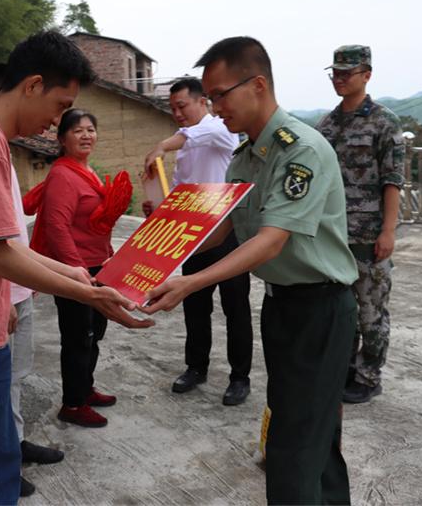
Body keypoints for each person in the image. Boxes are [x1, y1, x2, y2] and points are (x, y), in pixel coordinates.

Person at [0, 31, 152, 506]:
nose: (56, 122)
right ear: (33, 85)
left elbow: (7, 244)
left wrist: (74, 274)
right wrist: (88, 293)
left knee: (0, 464)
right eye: (60, 107)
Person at [141, 37, 358, 505]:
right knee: (310, 429)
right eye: (210, 96)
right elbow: (223, 230)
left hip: (320, 309)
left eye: (220, 94)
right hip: (281, 308)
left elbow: (270, 239)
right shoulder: (244, 158)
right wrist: (156, 243)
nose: (214, 107)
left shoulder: (300, 150)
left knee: (291, 444)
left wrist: (192, 281)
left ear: (257, 84)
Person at [0, 63, 65, 499]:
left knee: (16, 378)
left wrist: (61, 276)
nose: (52, 123)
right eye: (56, 107)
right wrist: (3, 297)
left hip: (19, 287)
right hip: (2, 292)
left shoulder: (2, 153)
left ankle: (13, 443)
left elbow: (13, 233)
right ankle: (1, 458)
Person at [142, 77, 253, 406]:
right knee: (195, 306)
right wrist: (157, 205)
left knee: (236, 309)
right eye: (172, 108)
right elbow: (180, 191)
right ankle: (196, 367)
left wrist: (161, 146)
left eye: (182, 106)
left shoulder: (219, 130)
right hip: (194, 238)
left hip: (227, 234)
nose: (177, 113)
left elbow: (189, 134)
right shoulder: (187, 146)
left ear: (202, 102)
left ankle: (239, 376)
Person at [24, 108, 133, 428]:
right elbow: (57, 228)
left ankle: (85, 389)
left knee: (94, 333)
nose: (87, 135)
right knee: (77, 337)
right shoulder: (63, 175)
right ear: (62, 139)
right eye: (78, 131)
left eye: (91, 129)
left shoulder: (88, 171)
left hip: (97, 266)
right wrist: (76, 270)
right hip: (76, 270)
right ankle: (72, 404)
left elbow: (94, 223)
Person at [316, 45, 405, 405]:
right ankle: (347, 369)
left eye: (346, 73)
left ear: (366, 74)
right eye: (334, 73)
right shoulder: (327, 124)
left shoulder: (385, 122)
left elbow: (393, 180)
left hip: (369, 233)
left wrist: (388, 231)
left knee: (371, 311)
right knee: (343, 312)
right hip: (335, 234)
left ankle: (369, 376)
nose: (339, 79)